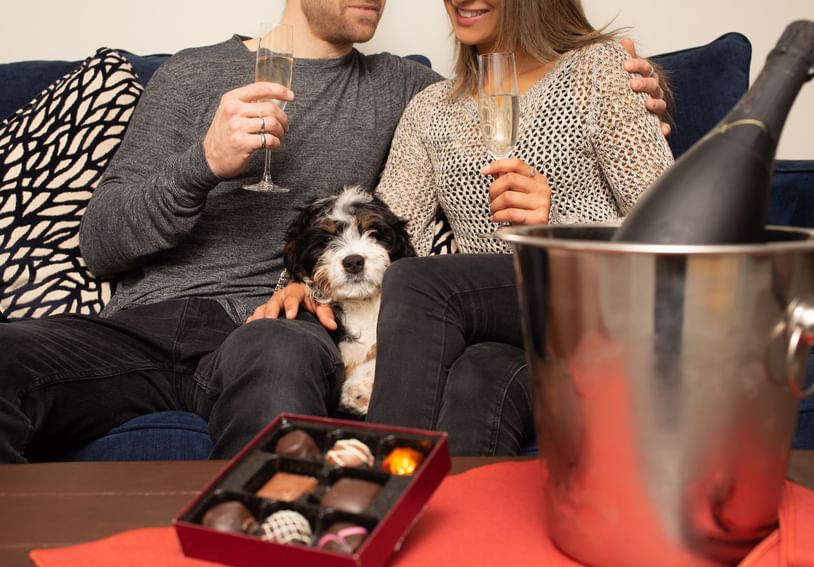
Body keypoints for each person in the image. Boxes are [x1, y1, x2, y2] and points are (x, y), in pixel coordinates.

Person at [0, 0, 665, 463]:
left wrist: (644, 85)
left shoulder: (398, 86)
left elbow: (397, 240)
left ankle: (335, 518)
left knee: (285, 352)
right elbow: (99, 242)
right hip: (145, 325)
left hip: (273, 329)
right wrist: (202, 164)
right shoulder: (189, 76)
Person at [361, 0, 675, 455]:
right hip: (503, 331)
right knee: (477, 378)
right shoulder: (430, 109)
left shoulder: (600, 69)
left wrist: (556, 230)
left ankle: (370, 494)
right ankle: (452, 523)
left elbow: (675, 229)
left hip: (596, 302)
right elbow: (387, 232)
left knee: (418, 284)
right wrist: (300, 283)